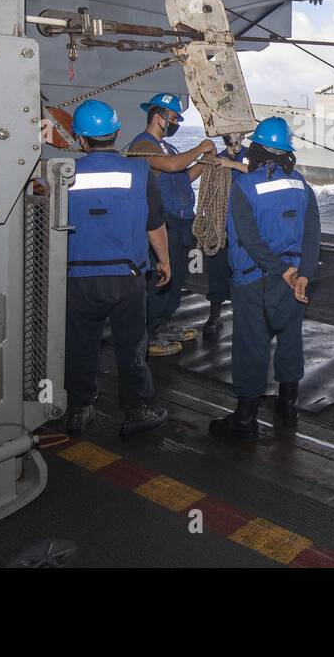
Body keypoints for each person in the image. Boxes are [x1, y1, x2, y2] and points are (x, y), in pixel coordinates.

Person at [64, 99, 173, 438]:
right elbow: (154, 225)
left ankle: (80, 408)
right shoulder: (139, 172)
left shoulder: (65, 173)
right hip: (127, 277)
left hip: (79, 277)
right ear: (116, 132)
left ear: (81, 139)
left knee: (81, 345)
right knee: (131, 346)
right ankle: (137, 409)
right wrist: (165, 261)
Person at [209, 117, 320, 441]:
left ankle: (245, 419)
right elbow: (313, 235)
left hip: (253, 280)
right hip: (292, 281)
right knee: (290, 339)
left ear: (255, 149)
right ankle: (287, 407)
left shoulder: (243, 186)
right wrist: (303, 276)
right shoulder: (302, 185)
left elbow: (249, 238)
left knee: (251, 346)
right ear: (287, 152)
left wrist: (279, 270)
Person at [127, 92, 213, 354]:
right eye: (173, 118)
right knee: (160, 276)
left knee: (175, 277)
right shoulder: (142, 145)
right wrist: (200, 147)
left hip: (182, 220)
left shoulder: (169, 148)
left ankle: (163, 322)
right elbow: (173, 166)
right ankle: (149, 331)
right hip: (163, 222)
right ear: (158, 117)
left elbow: (183, 176)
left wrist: (204, 163)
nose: (176, 124)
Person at [200, 134, 248, 339]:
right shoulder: (216, 160)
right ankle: (215, 313)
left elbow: (262, 173)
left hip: (244, 229)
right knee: (217, 268)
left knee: (245, 272)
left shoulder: (251, 158)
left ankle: (245, 314)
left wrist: (231, 164)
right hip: (221, 227)